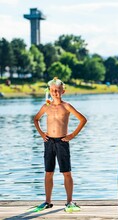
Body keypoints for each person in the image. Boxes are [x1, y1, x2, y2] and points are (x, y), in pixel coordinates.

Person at [33, 77, 87, 212]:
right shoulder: (46, 106)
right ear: (49, 91)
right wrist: (41, 133)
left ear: (63, 91)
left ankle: (69, 202)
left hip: (62, 141)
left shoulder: (66, 106)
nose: (55, 93)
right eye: (52, 90)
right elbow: (36, 119)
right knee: (48, 172)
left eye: (57, 90)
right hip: (48, 141)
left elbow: (83, 119)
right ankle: (47, 201)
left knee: (66, 172)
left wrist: (72, 135)